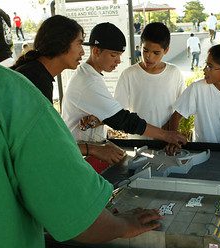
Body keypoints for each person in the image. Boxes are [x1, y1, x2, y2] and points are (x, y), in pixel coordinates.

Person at [0, 1, 162, 248]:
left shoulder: (27, 81)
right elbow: (74, 213)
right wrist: (122, 223)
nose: (82, 51)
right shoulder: (11, 90)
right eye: (80, 43)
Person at [61, 22, 186, 166]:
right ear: (96, 51)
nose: (119, 61)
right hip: (79, 156)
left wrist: (97, 122)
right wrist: (166, 135)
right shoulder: (89, 81)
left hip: (87, 150)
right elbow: (122, 119)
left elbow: (110, 113)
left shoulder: (91, 76)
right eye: (114, 55)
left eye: (119, 55)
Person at [11, 15, 125, 168]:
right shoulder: (35, 79)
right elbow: (42, 143)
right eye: (79, 44)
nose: (83, 53)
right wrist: (94, 150)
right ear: (62, 44)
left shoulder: (37, 74)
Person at [167, 44, 220, 152]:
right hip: (201, 152)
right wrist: (172, 139)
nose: (204, 70)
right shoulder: (197, 88)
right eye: (206, 65)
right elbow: (176, 116)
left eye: (210, 67)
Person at [115, 22, 185, 138]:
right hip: (138, 142)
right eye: (145, 50)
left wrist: (170, 128)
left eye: (156, 53)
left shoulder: (174, 73)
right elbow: (118, 110)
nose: (149, 57)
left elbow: (182, 107)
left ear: (166, 50)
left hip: (166, 141)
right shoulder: (129, 74)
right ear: (140, 46)